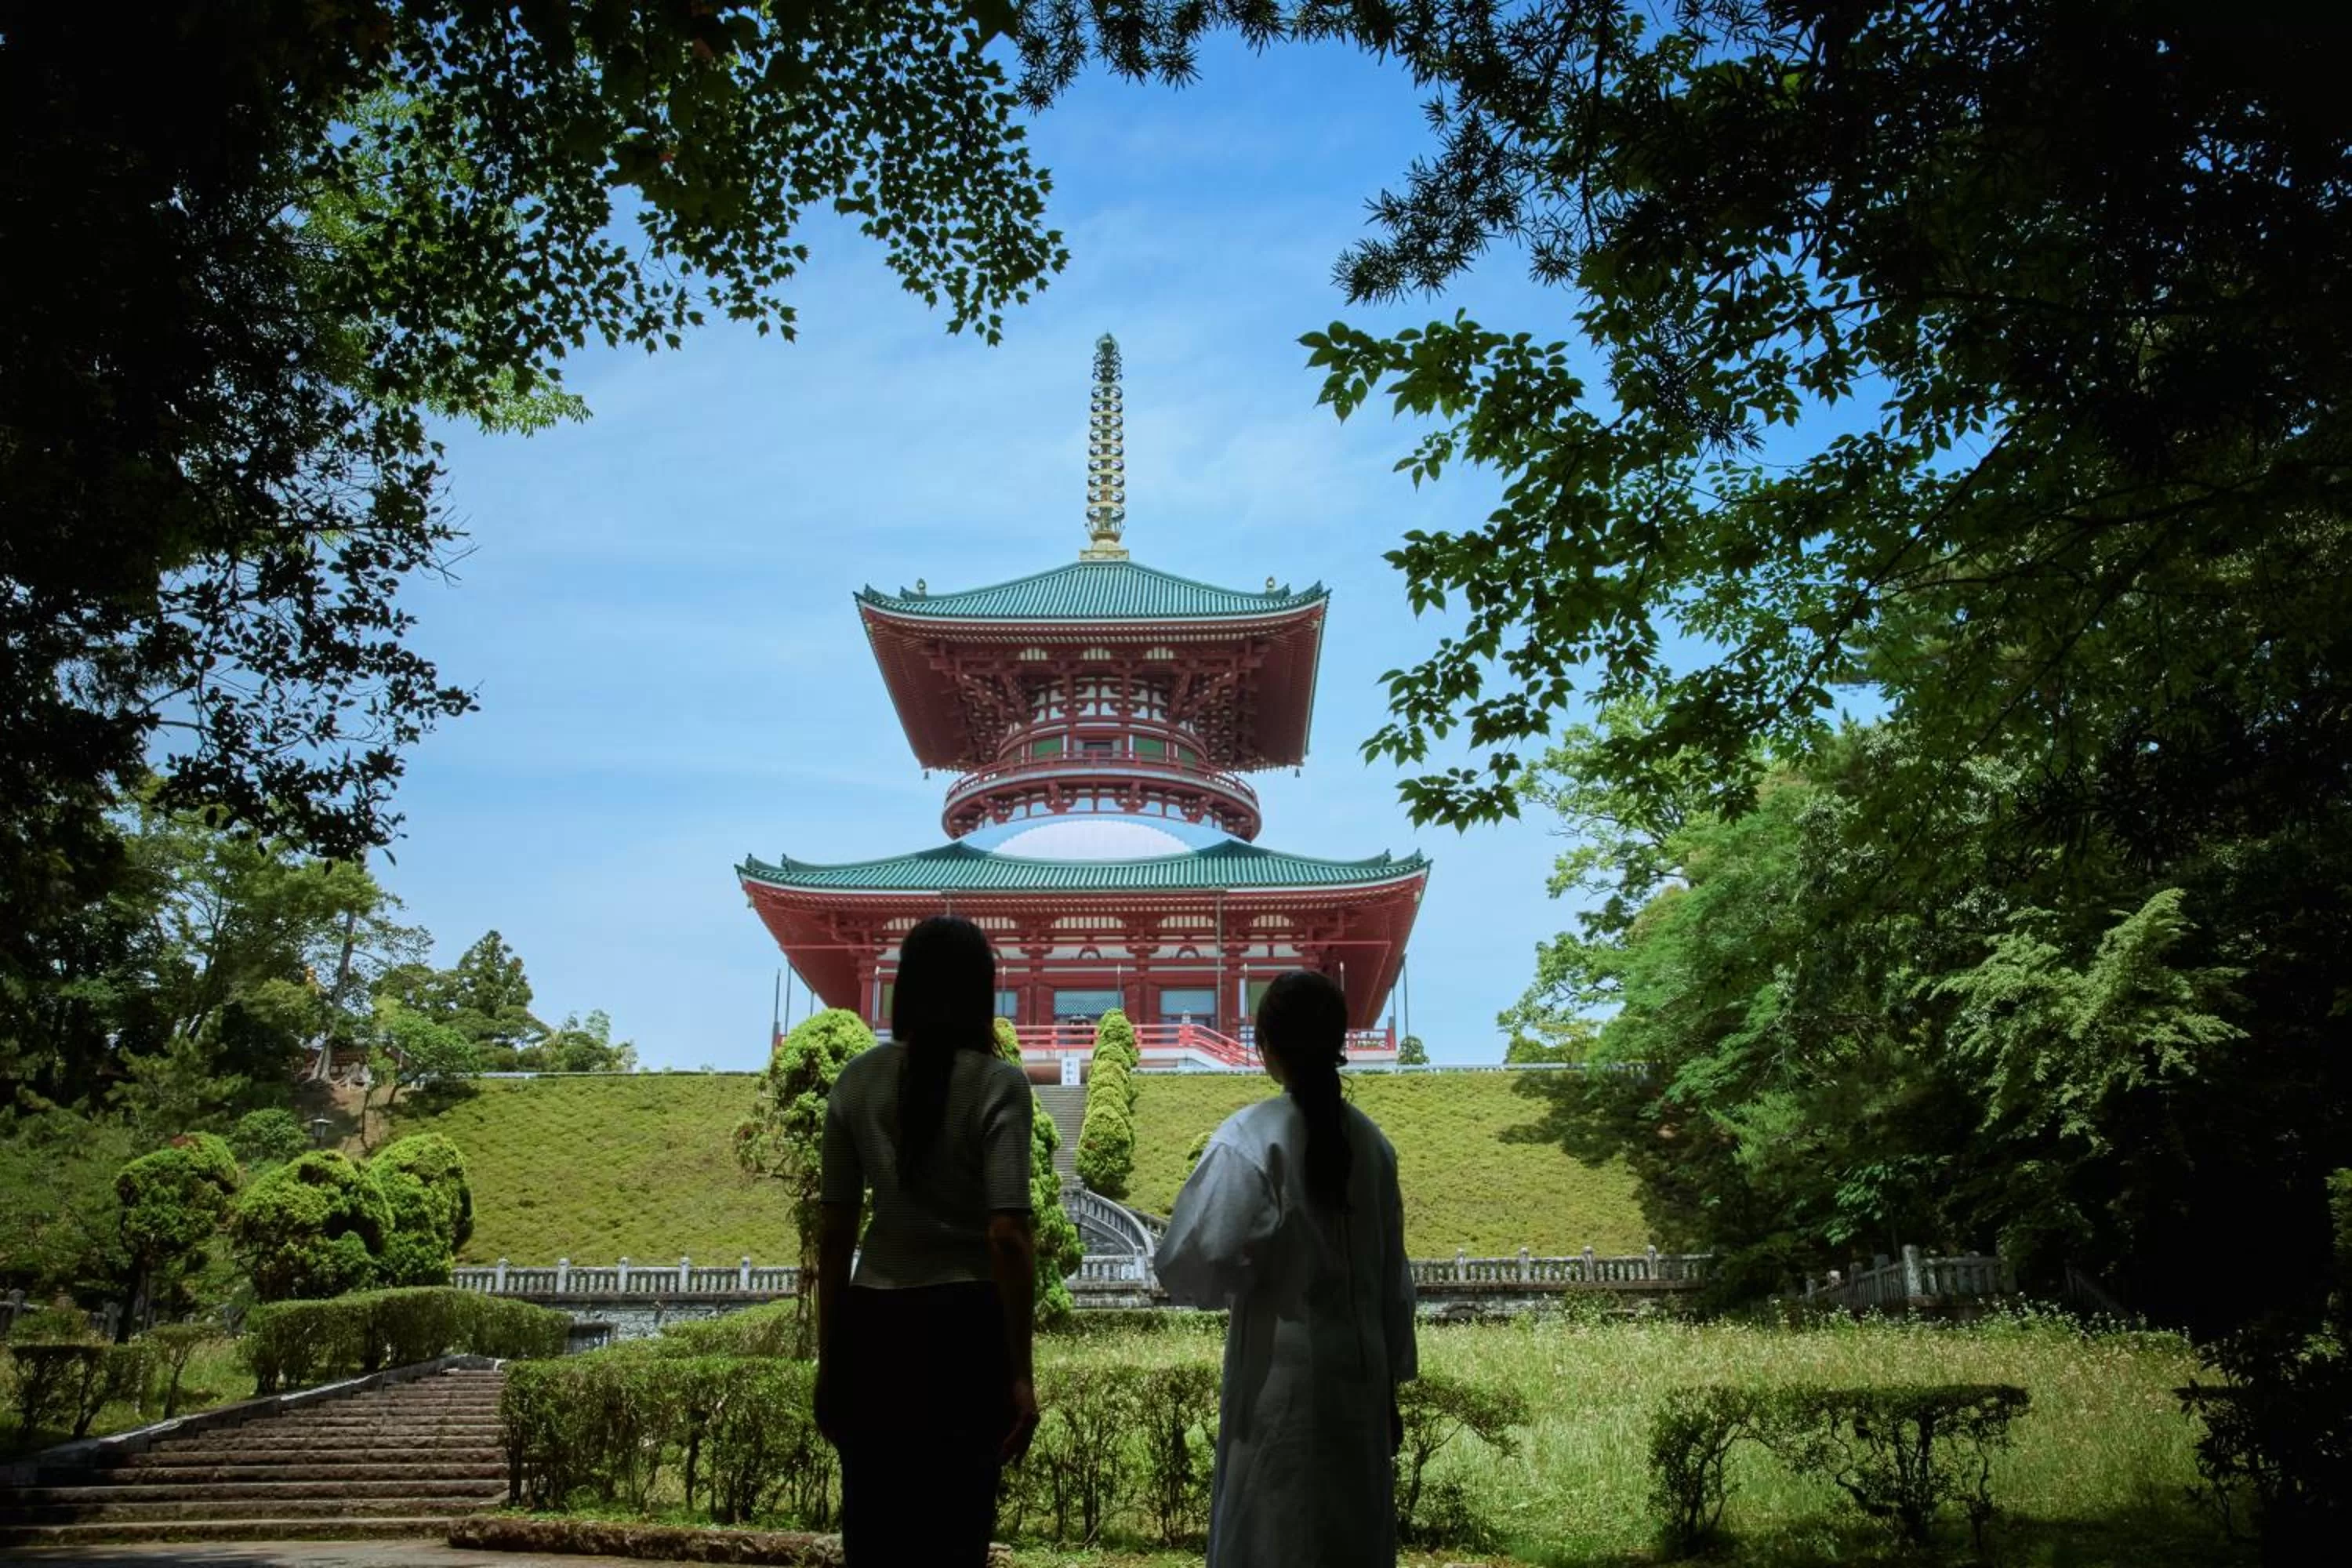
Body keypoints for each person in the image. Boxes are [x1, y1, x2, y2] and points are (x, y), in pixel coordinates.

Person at [1154, 969, 1418, 1566]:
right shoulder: (1374, 1147)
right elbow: (1394, 1286)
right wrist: (1391, 1389)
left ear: (1265, 1046)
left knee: (1274, 1538)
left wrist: (1246, 1271)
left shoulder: (1251, 1138)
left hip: (1280, 1389)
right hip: (1362, 1385)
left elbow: (1193, 1262)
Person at [813, 915, 1041, 1566]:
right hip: (965, 1328)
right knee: (955, 1530)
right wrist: (1020, 1372)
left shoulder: (855, 1082)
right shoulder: (999, 1085)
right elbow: (1007, 1234)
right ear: (983, 993)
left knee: (876, 1529)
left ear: (904, 990)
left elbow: (834, 1233)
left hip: (874, 1323)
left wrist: (831, 1359)